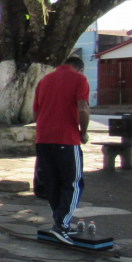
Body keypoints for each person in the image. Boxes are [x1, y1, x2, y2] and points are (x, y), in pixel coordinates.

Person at [33, 56, 91, 244]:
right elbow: (83, 109)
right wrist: (83, 132)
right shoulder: (79, 79)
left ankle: (60, 221)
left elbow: (35, 113)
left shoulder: (44, 80)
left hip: (43, 139)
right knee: (73, 182)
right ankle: (61, 224)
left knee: (52, 182)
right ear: (80, 69)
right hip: (66, 138)